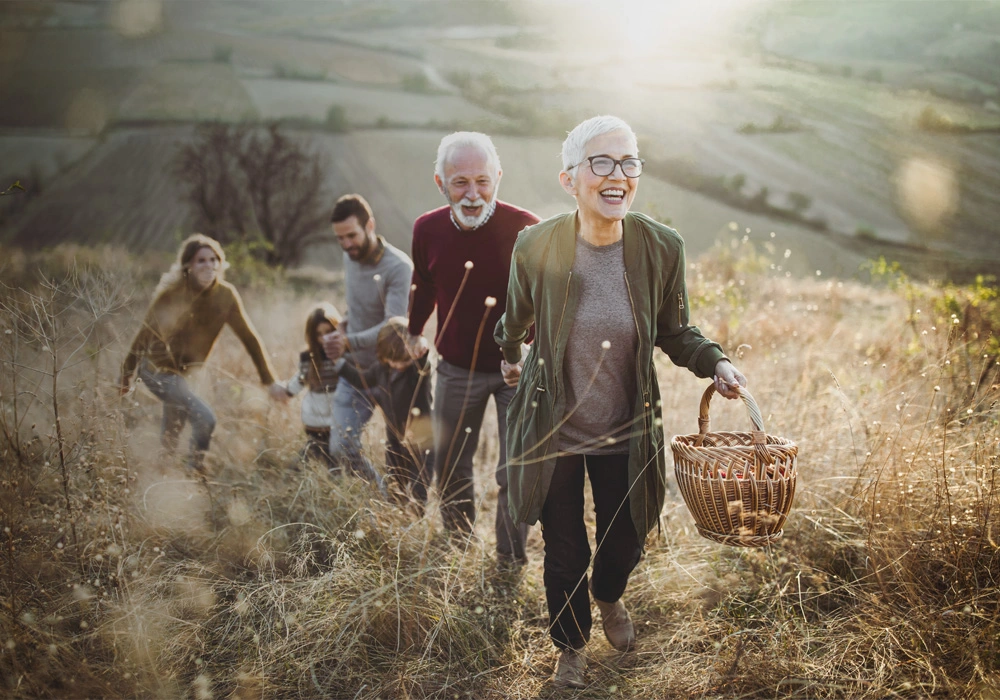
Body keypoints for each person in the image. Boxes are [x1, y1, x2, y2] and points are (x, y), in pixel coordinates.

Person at [494, 115, 748, 688]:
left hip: (625, 428)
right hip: (552, 426)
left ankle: (609, 595)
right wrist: (509, 352)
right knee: (564, 551)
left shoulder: (661, 248)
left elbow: (676, 331)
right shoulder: (537, 244)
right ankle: (571, 647)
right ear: (570, 179)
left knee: (624, 539)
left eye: (628, 162)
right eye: (602, 162)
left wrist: (717, 363)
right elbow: (515, 319)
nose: (618, 175)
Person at [408, 131, 539, 565]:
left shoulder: (526, 229)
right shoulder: (426, 230)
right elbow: (424, 286)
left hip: (515, 370)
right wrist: (413, 331)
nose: (472, 193)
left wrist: (529, 357)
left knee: (515, 470)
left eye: (482, 180)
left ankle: (510, 559)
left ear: (498, 177)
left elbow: (547, 300)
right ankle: (459, 545)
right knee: (450, 464)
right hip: (456, 369)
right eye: (460, 181)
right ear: (439, 182)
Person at [119, 233, 288, 472]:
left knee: (172, 430)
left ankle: (162, 476)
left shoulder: (226, 296)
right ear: (188, 265)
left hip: (184, 376)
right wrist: (125, 374)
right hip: (157, 371)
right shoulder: (172, 295)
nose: (209, 266)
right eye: (201, 261)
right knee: (205, 418)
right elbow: (143, 335)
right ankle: (194, 471)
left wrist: (269, 381)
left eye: (213, 260)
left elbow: (249, 338)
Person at [322, 194, 414, 479]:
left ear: (370, 225)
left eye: (352, 235)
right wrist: (342, 328)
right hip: (355, 372)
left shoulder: (399, 267)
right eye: (340, 238)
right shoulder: (349, 257)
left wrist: (349, 340)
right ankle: (379, 492)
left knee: (404, 455)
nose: (347, 244)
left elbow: (393, 326)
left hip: (391, 373)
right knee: (340, 447)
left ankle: (399, 509)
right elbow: (357, 306)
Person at [333, 317, 433, 509]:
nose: (397, 366)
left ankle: (414, 523)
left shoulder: (417, 372)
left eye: (402, 361)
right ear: (383, 355)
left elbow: (424, 363)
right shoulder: (382, 369)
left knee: (418, 488)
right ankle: (396, 516)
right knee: (395, 483)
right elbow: (362, 379)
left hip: (421, 441)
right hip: (395, 439)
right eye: (392, 361)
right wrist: (339, 364)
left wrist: (421, 347)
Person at [282, 302, 342, 468]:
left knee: (334, 452)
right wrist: (287, 392)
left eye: (329, 332)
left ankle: (329, 476)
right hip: (315, 415)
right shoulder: (308, 357)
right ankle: (296, 470)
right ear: (312, 335)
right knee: (318, 448)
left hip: (337, 414)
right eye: (319, 334)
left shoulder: (343, 355)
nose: (325, 338)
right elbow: (300, 378)